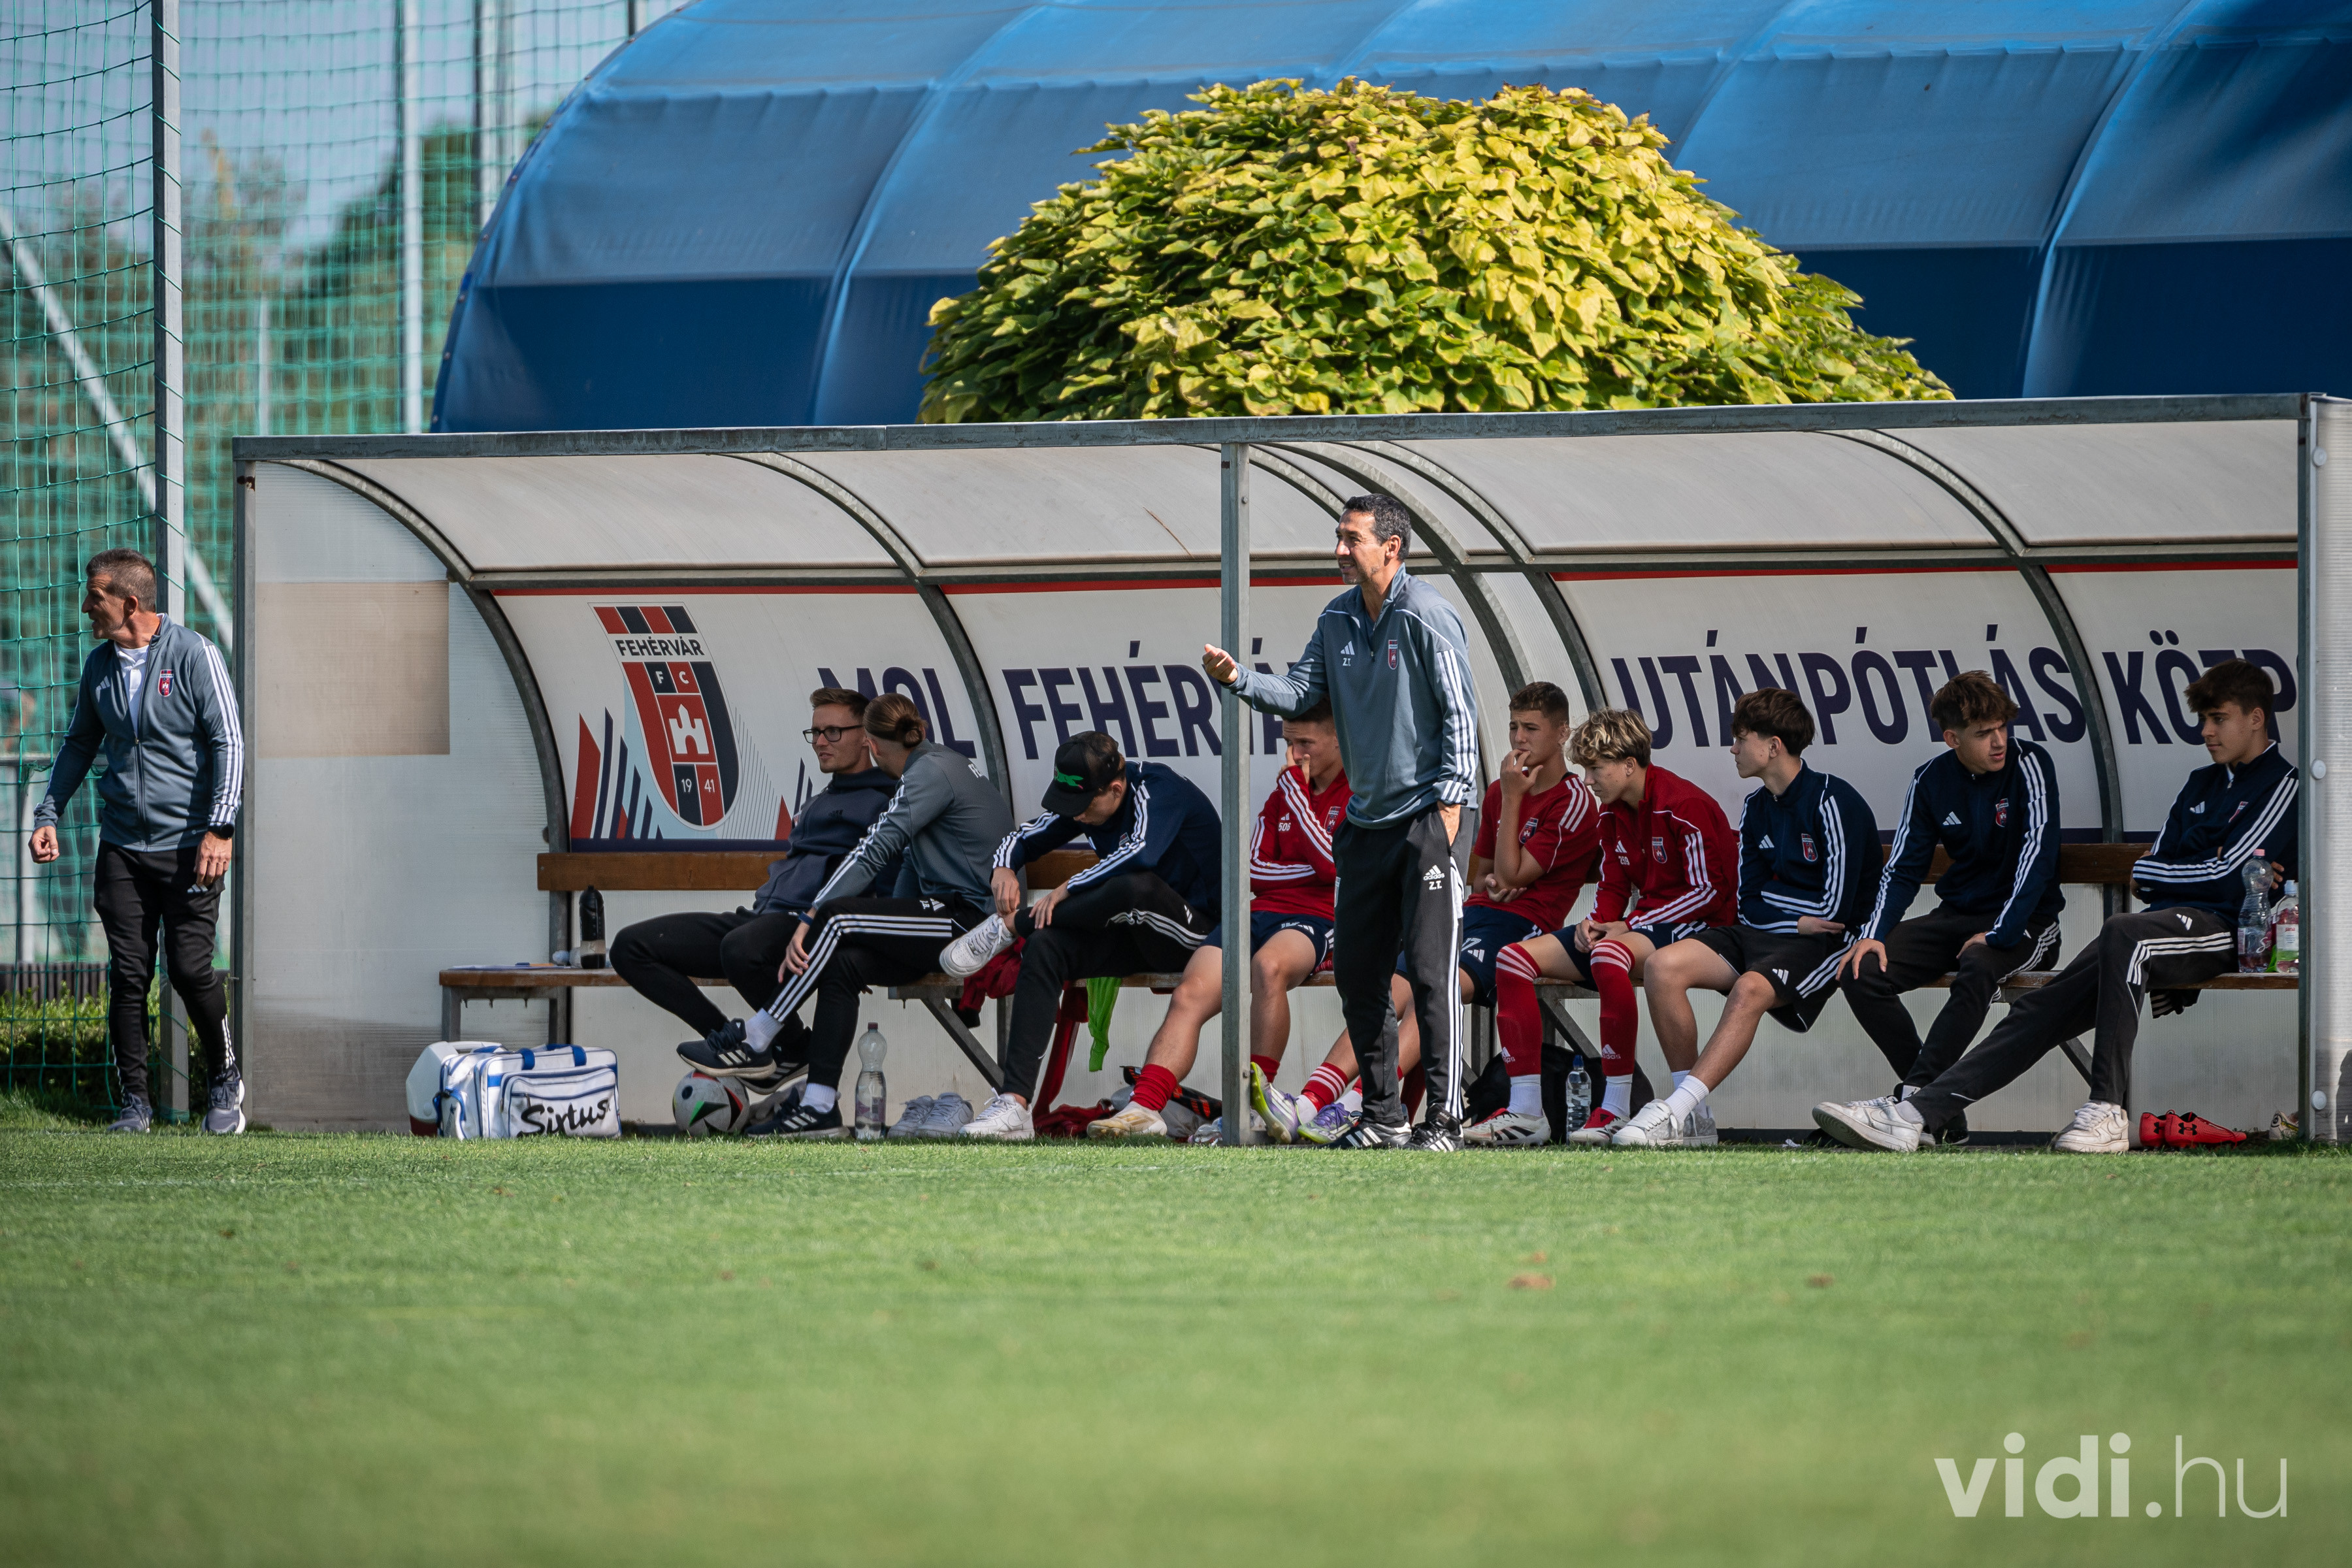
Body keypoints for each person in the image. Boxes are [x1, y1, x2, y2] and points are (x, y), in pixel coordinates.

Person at [1816, 659, 2296, 1155]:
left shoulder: (2284, 783)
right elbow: (2147, 874)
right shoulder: (2201, 783)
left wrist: (2195, 870)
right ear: (1952, 739)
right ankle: (1916, 1112)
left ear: (2256, 719)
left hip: (2232, 932)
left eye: (2218, 719)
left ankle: (2107, 1109)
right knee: (2040, 1009)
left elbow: (2226, 877)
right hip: (2151, 927)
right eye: (2204, 720)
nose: (2206, 732)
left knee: (2119, 932)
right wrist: (2196, 867)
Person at [1205, 493, 1480, 1150]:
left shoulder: (1427, 614)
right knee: (1358, 976)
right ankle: (1384, 1118)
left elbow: (1462, 714)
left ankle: (1445, 1122)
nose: (1339, 550)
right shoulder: (1336, 617)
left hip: (1429, 820)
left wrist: (1447, 812)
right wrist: (1241, 678)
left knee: (1430, 974)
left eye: (1351, 538)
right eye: (1338, 536)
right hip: (1367, 825)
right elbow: (1302, 692)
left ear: (1391, 547)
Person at [1256, 681, 1599, 1146]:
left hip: (1524, 927)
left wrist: (1513, 812)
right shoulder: (1498, 791)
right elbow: (1483, 872)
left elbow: (1512, 873)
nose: (1519, 738)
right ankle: (1313, 1100)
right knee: (1387, 987)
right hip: (1474, 912)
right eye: (1514, 727)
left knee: (1439, 988)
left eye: (1531, 729)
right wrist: (1498, 873)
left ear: (1562, 733)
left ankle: (1359, 1104)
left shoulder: (1569, 799)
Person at [677, 694, 1012, 1137]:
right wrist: (882, 926)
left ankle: (758, 1035)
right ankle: (819, 1106)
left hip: (970, 923)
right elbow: (910, 863)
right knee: (844, 963)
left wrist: (811, 915)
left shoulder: (929, 772)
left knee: (836, 917)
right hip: (947, 915)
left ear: (871, 744)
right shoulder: (932, 764)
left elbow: (873, 851)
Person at [29, 549, 244, 1134]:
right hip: (123, 846)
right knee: (128, 975)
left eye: (94, 596)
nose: (85, 606)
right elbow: (79, 743)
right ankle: (135, 1104)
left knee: (190, 970)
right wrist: (49, 813)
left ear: (128, 603)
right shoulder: (97, 666)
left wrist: (220, 828)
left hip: (192, 845)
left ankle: (225, 1078)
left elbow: (228, 742)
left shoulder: (195, 654)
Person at [1614, 688, 1878, 1147]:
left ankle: (1674, 1111)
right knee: (1662, 966)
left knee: (1749, 989)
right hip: (1769, 932)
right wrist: (1794, 917)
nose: (1733, 749)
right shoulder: (1756, 806)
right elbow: (1747, 902)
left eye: (1740, 738)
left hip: (1825, 945)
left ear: (1773, 746)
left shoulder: (1832, 801)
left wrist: (1785, 913)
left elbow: (1833, 911)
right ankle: (1694, 1121)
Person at [939, 731, 1224, 1140]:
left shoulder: (1159, 790)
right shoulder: (1084, 802)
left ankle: (1012, 926)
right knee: (1045, 946)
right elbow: (1023, 837)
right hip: (1135, 929)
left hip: (1198, 938)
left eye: (1083, 806)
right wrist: (1003, 867)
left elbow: (1140, 854)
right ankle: (1014, 1105)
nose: (1075, 815)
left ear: (1116, 789)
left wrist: (1071, 886)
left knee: (1136, 886)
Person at [1087, 702, 1349, 1139]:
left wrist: (1298, 797)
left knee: (1269, 967)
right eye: (1289, 743)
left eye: (1306, 743)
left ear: (1339, 739)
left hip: (1322, 916)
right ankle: (1144, 1108)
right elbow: (1253, 870)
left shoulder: (1354, 791)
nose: (1295, 754)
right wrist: (1312, 867)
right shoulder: (1281, 795)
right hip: (1259, 911)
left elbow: (1334, 867)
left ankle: (1254, 1107)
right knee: (1190, 991)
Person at [611, 687, 898, 1083]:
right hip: (762, 919)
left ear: (866, 737)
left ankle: (774, 1045)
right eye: (815, 732)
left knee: (741, 948)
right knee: (630, 947)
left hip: (808, 927)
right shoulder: (819, 800)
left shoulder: (888, 802)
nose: (820, 742)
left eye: (833, 732)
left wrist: (860, 944)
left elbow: (885, 884)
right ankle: (738, 1045)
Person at [1483, 706, 1738, 1146]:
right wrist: (1598, 920)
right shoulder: (1611, 813)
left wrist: (1628, 924)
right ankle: (1526, 1113)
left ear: (1629, 765)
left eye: (1596, 769)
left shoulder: (1685, 805)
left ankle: (1620, 1109)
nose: (1588, 780)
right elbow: (1614, 884)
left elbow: (1709, 893)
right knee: (1512, 960)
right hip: (1642, 927)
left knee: (1608, 953)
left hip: (1700, 928)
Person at [1833, 671, 2063, 1145]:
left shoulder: (2032, 763)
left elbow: (2038, 859)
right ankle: (1938, 1113)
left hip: (2028, 923)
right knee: (1861, 969)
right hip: (1957, 917)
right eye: (1984, 733)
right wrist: (1873, 934)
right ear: (1953, 739)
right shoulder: (1930, 778)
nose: (1999, 741)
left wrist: (2000, 933)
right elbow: (1902, 869)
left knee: (1979, 961)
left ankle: (1912, 1104)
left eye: (2003, 728)